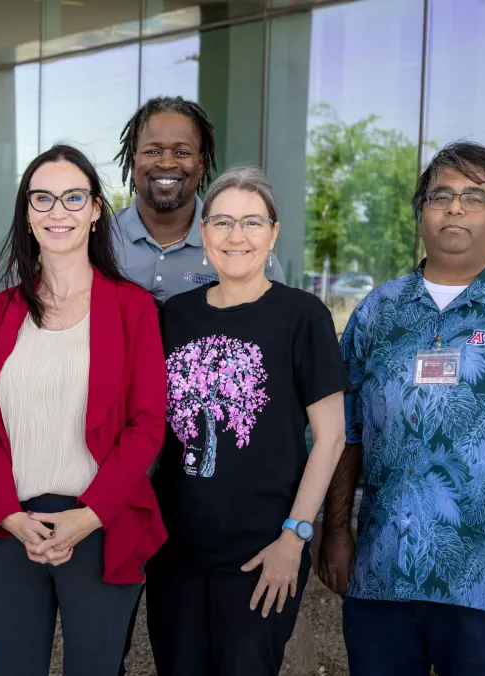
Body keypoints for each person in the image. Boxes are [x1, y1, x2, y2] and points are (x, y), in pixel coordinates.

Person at [0, 144, 168, 676]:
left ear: (94, 210)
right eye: (42, 199)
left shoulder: (133, 308)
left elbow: (147, 426)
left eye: (72, 197)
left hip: (99, 524)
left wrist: (88, 516)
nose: (57, 211)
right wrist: (10, 516)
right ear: (27, 214)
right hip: (13, 526)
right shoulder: (2, 311)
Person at [318, 142, 485, 676]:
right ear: (421, 215)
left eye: (473, 197)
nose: (455, 208)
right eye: (441, 195)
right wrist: (337, 526)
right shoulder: (379, 310)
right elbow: (346, 428)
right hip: (381, 573)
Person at [147, 166, 347, 676]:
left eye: (252, 222)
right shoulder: (173, 317)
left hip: (264, 554)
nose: (237, 236)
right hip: (175, 554)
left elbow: (331, 437)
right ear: (203, 232)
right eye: (222, 222)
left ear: (273, 233)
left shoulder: (303, 317)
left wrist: (293, 538)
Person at [112, 96, 284, 300]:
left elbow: (277, 322)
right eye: (153, 151)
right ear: (133, 162)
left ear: (201, 165)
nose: (167, 163)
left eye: (182, 152)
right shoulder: (98, 240)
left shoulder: (239, 244)